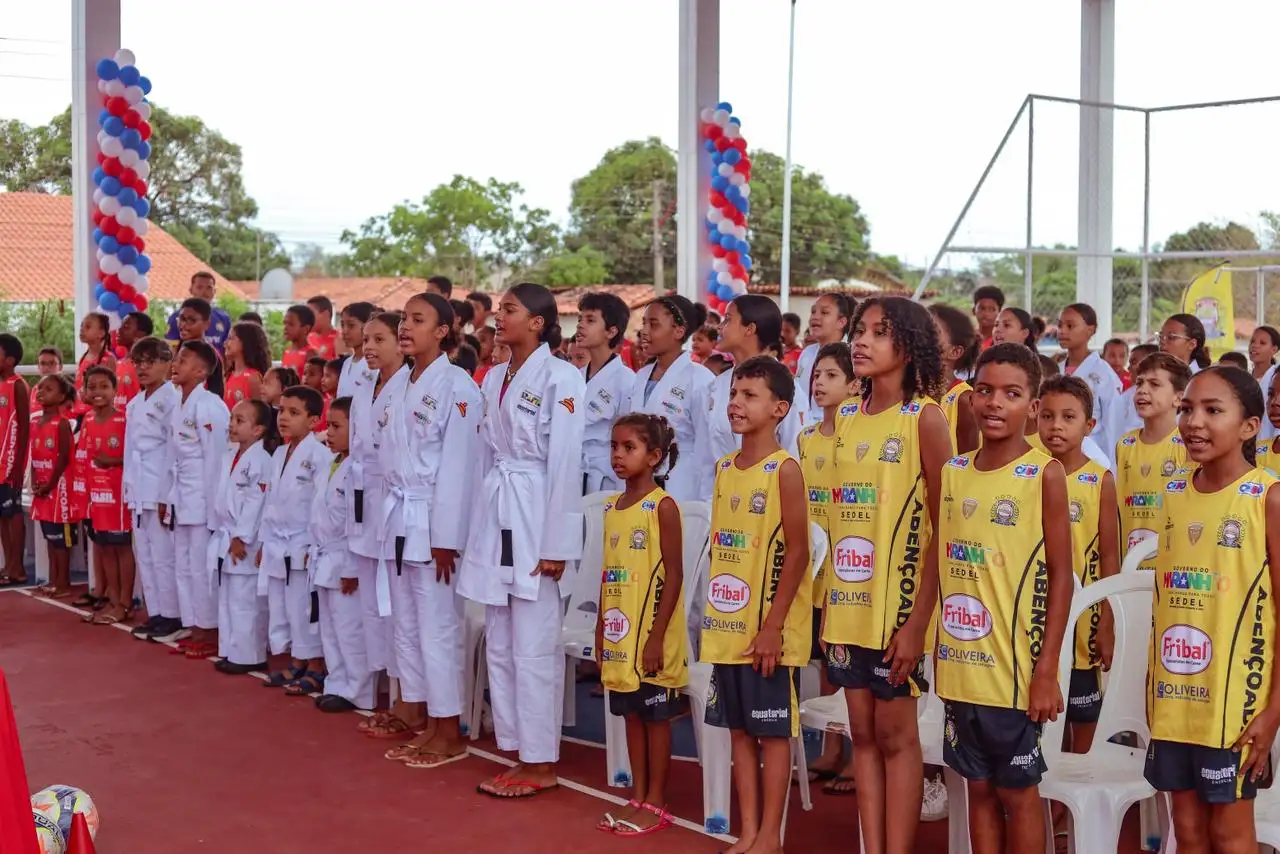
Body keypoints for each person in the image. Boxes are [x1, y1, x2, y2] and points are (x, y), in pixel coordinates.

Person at [932, 343, 1072, 854]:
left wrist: (1046, 669)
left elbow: (1062, 577)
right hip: (960, 667)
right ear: (971, 399)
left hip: (1014, 675)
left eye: (1011, 394)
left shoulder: (1043, 474)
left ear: (1032, 407)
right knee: (978, 790)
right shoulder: (953, 472)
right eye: (985, 390)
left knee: (1018, 794)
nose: (995, 403)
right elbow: (939, 561)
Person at [823, 296, 951, 851]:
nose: (862, 340)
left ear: (909, 346)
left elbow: (948, 528)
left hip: (898, 615)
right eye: (859, 330)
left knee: (899, 742)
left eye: (879, 332)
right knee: (864, 738)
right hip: (847, 609)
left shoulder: (923, 418)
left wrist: (918, 621)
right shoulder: (846, 416)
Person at [457, 282, 586, 799]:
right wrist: (477, 531)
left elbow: (565, 463)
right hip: (500, 508)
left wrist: (556, 544)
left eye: (509, 310)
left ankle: (541, 760)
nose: (498, 317)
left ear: (537, 321)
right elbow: (488, 456)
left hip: (536, 511)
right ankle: (517, 748)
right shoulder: (494, 377)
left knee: (533, 642)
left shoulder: (562, 376)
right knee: (504, 639)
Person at [1147, 367, 1280, 853]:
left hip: (1235, 710)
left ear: (1249, 427)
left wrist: (1272, 712)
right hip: (1175, 700)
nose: (1193, 422)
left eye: (1212, 410)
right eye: (1186, 409)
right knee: (1188, 832)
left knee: (1229, 832)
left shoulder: (1265, 497)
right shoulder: (1175, 492)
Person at [700, 355, 810, 854]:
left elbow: (799, 553)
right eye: (734, 394)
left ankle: (772, 835)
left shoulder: (785, 470)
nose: (736, 404)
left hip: (767, 633)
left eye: (750, 395)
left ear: (780, 408)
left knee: (771, 734)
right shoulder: (725, 468)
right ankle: (748, 832)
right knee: (739, 733)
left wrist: (772, 626)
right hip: (727, 626)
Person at [376, 293, 481, 766]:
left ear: (443, 331)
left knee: (439, 627)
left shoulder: (457, 386)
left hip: (434, 521)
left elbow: (460, 467)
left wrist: (446, 538)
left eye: (417, 320)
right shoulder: (400, 383)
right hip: (400, 515)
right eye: (404, 318)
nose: (406, 327)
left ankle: (448, 728)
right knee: (409, 623)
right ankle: (419, 713)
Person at [594, 414, 686, 836]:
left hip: (651, 637)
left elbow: (675, 575)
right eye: (614, 446)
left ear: (654, 457)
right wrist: (600, 628)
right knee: (630, 715)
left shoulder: (662, 507)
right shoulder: (612, 506)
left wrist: (655, 637)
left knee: (654, 717)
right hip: (619, 634)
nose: (617, 455)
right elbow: (607, 571)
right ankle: (639, 795)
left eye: (628, 448)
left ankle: (658, 800)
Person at [1037, 375, 1120, 755]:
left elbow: (1109, 556)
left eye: (1068, 417)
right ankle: (1042, 802)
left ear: (1089, 425)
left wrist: (1107, 620)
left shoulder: (1098, 480)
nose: (1056, 426)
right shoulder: (1029, 472)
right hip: (1036, 613)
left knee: (1081, 717)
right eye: (1048, 415)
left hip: (1082, 620)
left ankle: (1070, 810)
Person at [796, 342, 860, 793]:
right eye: (817, 374)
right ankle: (832, 749)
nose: (820, 382)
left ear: (855, 385)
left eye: (832, 375)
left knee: (848, 659)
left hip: (852, 565)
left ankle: (857, 750)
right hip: (815, 565)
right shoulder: (805, 437)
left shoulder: (859, 439)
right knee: (823, 660)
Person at [349, 312, 414, 739]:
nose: (368, 346)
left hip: (396, 499)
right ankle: (388, 693)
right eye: (366, 338)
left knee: (399, 607)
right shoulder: (363, 384)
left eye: (379, 339)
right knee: (374, 605)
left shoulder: (408, 387)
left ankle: (407, 700)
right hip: (366, 500)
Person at [257, 385, 329, 694]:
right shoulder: (278, 453)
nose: (283, 418)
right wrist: (263, 541)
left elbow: (321, 506)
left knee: (304, 609)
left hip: (303, 544)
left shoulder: (321, 455)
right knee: (283, 607)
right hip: (277, 542)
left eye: (294, 413)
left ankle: (316, 665)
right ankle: (297, 661)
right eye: (282, 411)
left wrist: (315, 547)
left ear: (314, 421)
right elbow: (269, 501)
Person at [696, 295, 803, 502]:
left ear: (749, 329)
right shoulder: (717, 386)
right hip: (720, 504)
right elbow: (706, 460)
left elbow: (794, 453)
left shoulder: (785, 386)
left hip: (766, 503)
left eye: (728, 319)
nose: (720, 327)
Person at [165, 341, 231, 660]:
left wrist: (214, 510)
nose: (176, 364)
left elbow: (216, 459)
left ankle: (210, 630)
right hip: (182, 497)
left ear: (202, 372)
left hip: (204, 500)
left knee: (203, 568)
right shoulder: (179, 402)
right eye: (176, 359)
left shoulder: (210, 405)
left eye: (184, 360)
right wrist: (169, 497)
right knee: (186, 566)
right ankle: (194, 626)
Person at [307, 396, 370, 712]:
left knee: (350, 630)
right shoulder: (331, 464)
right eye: (327, 425)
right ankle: (337, 683)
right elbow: (318, 515)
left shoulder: (359, 469)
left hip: (346, 560)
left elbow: (359, 524)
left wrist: (352, 567)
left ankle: (358, 689)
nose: (328, 432)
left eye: (336, 426)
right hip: (324, 557)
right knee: (330, 628)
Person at [624, 296, 713, 501]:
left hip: (682, 486)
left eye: (653, 325)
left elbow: (707, 445)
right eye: (644, 323)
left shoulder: (699, 379)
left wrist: (705, 501)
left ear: (678, 331)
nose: (644, 331)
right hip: (640, 482)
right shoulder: (642, 375)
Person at [210, 399, 274, 676]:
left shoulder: (261, 460)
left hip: (245, 540)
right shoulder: (230, 455)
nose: (232, 425)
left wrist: (241, 536)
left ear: (258, 430)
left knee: (245, 601)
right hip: (227, 535)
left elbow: (256, 503)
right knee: (227, 599)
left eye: (240, 421)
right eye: (232, 419)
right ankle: (230, 649)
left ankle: (250, 655)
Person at [124, 338, 183, 643]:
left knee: (163, 554)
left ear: (167, 363)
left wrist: (165, 496)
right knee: (145, 554)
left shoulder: (172, 399)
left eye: (150, 361)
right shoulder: (135, 402)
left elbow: (174, 451)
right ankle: (156, 611)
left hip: (160, 482)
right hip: (138, 486)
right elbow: (129, 449)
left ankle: (172, 614)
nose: (143, 368)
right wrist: (127, 488)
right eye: (138, 362)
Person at [1115, 352, 1189, 570]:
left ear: (1178, 398)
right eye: (1139, 383)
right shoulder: (1125, 444)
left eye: (1154, 384)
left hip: (1171, 567)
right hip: (1128, 565)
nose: (1142, 390)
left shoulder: (1187, 445)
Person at [78, 367, 133, 625]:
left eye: (103, 386)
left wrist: (112, 461)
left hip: (118, 495)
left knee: (121, 547)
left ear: (115, 390)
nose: (97, 392)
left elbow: (135, 457)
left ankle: (125, 602)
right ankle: (112, 598)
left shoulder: (124, 420)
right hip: (97, 496)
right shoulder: (87, 420)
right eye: (92, 387)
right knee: (104, 548)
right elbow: (84, 457)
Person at [576, 292, 634, 494]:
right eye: (579, 319)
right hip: (574, 471)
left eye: (590, 320)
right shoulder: (576, 376)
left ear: (611, 331)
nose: (580, 325)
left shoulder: (626, 380)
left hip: (607, 476)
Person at [29, 374, 76, 598]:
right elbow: (36, 455)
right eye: (40, 387)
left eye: (48, 389)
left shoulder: (62, 423)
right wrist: (36, 482)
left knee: (60, 539)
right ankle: (54, 579)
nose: (41, 392)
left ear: (61, 397)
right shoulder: (36, 422)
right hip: (43, 489)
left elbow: (64, 457)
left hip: (60, 490)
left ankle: (64, 583)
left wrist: (51, 483)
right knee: (49, 536)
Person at [1058, 303, 1122, 443]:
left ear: (1090, 330)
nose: (1062, 331)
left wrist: (1111, 463)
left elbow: (1113, 426)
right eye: (1060, 325)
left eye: (1070, 326)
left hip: (1094, 452)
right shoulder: (1056, 370)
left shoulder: (1104, 374)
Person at [795, 294, 854, 427]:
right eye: (813, 311)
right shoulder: (807, 353)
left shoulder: (851, 355)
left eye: (825, 312)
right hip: (805, 429)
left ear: (841, 322)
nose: (815, 317)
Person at [930, 304, 980, 455]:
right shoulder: (907, 392)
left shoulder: (964, 400)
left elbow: (968, 466)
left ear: (954, 352)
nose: (919, 337)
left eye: (931, 332)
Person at [0, 334, 29, 586]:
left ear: (9, 360)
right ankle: (7, 564)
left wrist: (19, 464)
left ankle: (17, 568)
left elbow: (24, 427)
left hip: (11, 463)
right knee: (2, 515)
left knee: (13, 514)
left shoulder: (18, 385)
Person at [165, 271, 231, 351]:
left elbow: (227, 351)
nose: (204, 292)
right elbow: (171, 351)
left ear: (214, 291)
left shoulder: (223, 318)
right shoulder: (178, 317)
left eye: (209, 288)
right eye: (199, 287)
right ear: (191, 290)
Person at [74, 312, 116, 417]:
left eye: (87, 326)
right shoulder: (83, 358)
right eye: (81, 326)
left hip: (98, 414)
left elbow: (111, 392)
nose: (82, 329)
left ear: (101, 333)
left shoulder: (108, 359)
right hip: (79, 413)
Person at [223, 321, 270, 409]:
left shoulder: (253, 378)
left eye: (230, 338)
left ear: (245, 342)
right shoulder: (229, 375)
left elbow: (260, 413)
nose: (225, 343)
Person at [337, 302, 377, 397]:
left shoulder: (374, 364)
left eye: (351, 325)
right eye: (342, 325)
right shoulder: (347, 363)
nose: (345, 331)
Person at [114, 311, 151, 409]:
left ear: (140, 334)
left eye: (125, 327)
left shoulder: (147, 365)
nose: (119, 330)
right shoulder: (118, 363)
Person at [281, 305, 318, 374]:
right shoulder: (286, 352)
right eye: (284, 323)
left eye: (291, 324)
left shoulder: (310, 354)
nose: (285, 327)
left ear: (306, 329)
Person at [28, 347, 63, 421]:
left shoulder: (68, 390)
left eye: (52, 363)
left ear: (60, 367)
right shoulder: (34, 390)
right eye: (43, 364)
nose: (47, 368)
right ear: (38, 367)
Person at [972, 285, 1005, 352]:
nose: (986, 314)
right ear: (973, 310)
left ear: (1000, 313)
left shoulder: (1003, 340)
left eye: (992, 309)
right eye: (982, 308)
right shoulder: (968, 338)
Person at [304, 357, 329, 432]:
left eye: (312, 374)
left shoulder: (328, 404)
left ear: (323, 377)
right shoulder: (300, 401)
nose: (306, 377)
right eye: (305, 373)